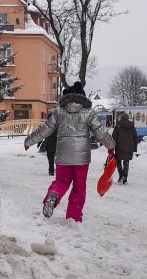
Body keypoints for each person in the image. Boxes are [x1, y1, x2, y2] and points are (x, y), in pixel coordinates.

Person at [24, 81, 115, 222]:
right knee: (79, 188)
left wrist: (29, 141)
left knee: (61, 181)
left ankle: (53, 194)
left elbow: (45, 129)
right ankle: (73, 217)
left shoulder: (59, 112)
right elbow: (100, 133)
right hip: (81, 157)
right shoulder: (88, 112)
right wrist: (111, 145)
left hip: (63, 155)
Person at [111, 113, 138, 184]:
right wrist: (135, 148)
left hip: (119, 147)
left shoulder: (118, 126)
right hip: (129, 147)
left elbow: (114, 137)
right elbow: (135, 137)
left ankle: (121, 175)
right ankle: (125, 177)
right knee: (126, 162)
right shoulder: (132, 126)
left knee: (118, 161)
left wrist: (112, 147)